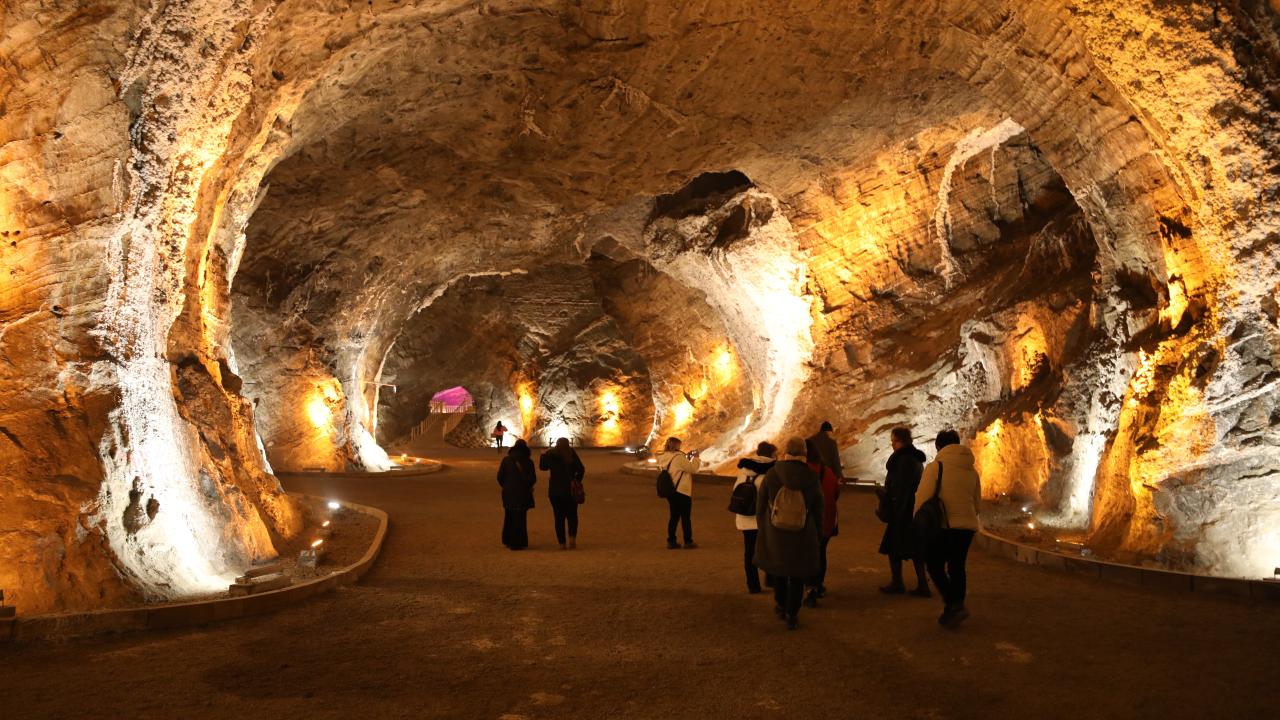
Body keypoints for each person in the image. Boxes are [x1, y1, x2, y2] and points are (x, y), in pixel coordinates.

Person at [753, 436, 824, 630]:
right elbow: (818, 508)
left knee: (780, 570)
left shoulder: (773, 474)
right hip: (802, 532)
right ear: (804, 453)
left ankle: (781, 605)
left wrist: (764, 527)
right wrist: (817, 532)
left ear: (786, 452)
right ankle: (792, 614)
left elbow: (761, 504)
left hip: (776, 531)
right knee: (797, 574)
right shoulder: (811, 477)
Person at [915, 430, 982, 629]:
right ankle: (952, 609)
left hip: (944, 526)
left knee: (934, 564)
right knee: (957, 567)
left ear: (938, 447)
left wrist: (918, 522)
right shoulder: (972, 471)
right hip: (967, 527)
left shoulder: (936, 467)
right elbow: (977, 503)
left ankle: (954, 604)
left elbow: (923, 497)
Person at [878, 427, 931, 596]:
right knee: (914, 548)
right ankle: (921, 584)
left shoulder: (904, 460)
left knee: (894, 547)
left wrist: (894, 508)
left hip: (903, 511)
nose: (892, 444)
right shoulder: (914, 459)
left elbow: (901, 488)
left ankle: (899, 583)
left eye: (894, 441)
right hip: (911, 509)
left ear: (902, 441)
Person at [733, 442, 777, 593]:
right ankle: (771, 579)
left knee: (749, 552)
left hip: (745, 517)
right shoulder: (772, 471)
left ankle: (753, 585)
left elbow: (735, 489)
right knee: (770, 549)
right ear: (771, 455)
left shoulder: (743, 470)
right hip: (764, 519)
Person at [804, 441, 841, 607]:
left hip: (807, 521)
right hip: (827, 520)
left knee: (806, 555)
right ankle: (818, 585)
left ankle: (809, 588)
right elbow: (836, 493)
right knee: (820, 552)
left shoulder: (802, 471)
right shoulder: (828, 472)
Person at [656, 436, 702, 549]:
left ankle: (671, 541)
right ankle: (688, 541)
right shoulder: (678, 457)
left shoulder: (663, 456)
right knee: (685, 517)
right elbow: (693, 469)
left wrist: (687, 457)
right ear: (677, 445)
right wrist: (696, 457)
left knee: (674, 517)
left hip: (670, 490)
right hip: (682, 491)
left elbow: (677, 466)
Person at [539, 438, 585, 549]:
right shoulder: (571, 453)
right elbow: (581, 469)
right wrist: (576, 480)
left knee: (558, 517)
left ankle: (562, 543)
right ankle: (572, 538)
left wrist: (543, 455)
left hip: (555, 491)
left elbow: (543, 467)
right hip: (570, 490)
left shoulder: (551, 453)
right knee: (572, 515)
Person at [497, 439, 536, 550]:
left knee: (509, 517)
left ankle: (507, 539)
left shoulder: (506, 460)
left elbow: (500, 477)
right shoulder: (528, 462)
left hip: (508, 494)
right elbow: (532, 479)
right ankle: (519, 542)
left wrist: (506, 486)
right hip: (523, 494)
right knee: (520, 519)